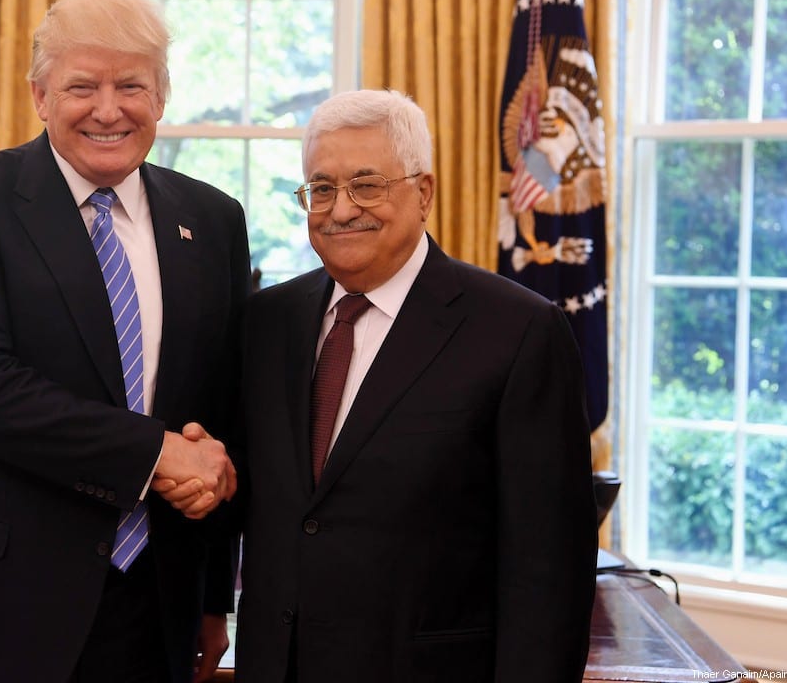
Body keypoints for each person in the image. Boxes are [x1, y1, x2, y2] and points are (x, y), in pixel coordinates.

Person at [0, 0, 251, 683]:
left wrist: (210, 600)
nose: (108, 110)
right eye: (83, 86)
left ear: (162, 96)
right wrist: (156, 453)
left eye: (131, 86)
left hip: (154, 609)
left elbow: (219, 410)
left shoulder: (213, 218)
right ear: (41, 96)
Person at [232, 89, 597, 682]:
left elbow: (548, 569)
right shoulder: (266, 322)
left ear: (423, 192)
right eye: (320, 188)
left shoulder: (519, 331)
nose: (340, 209)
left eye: (366, 184)